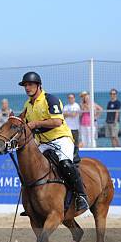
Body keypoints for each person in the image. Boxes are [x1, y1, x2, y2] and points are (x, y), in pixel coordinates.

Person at [18, 71, 88, 211]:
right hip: (42, 143)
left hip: (61, 139)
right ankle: (33, 202)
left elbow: (56, 121)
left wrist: (36, 124)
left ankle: (81, 196)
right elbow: (23, 122)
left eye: (30, 84)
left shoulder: (50, 99)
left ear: (38, 85)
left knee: (66, 164)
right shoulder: (27, 104)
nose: (27, 88)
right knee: (30, 166)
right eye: (25, 85)